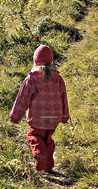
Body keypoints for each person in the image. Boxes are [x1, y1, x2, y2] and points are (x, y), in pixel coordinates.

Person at [9, 45, 69, 173]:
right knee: (48, 139)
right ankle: (48, 167)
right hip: (54, 118)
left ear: (35, 61)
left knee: (34, 136)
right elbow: (63, 97)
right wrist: (64, 116)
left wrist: (15, 116)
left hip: (37, 118)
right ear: (51, 61)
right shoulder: (58, 78)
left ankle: (40, 156)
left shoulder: (32, 78)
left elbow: (22, 99)